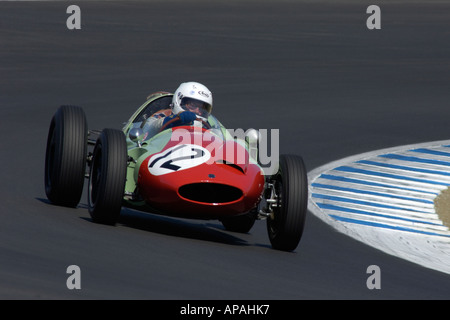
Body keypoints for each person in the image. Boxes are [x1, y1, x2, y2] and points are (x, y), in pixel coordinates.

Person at [146, 82, 213, 135]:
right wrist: (175, 120)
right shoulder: (160, 115)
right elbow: (149, 128)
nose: (198, 111)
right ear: (178, 101)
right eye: (193, 105)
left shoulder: (209, 124)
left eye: (203, 109)